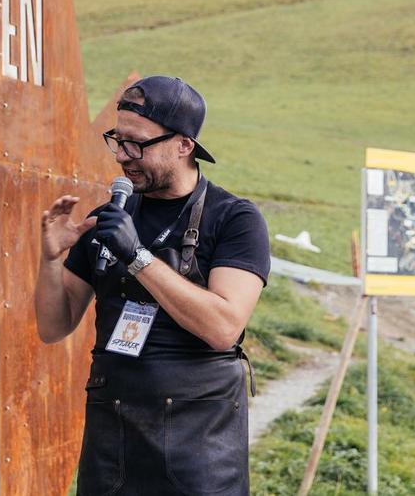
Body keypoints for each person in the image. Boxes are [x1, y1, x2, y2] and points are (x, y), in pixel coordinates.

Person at [35, 76, 270, 495]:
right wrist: (50, 259)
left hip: (199, 446)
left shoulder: (234, 219)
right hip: (114, 436)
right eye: (117, 139)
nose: (124, 156)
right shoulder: (110, 216)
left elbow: (224, 327)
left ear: (184, 144)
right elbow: (54, 326)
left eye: (137, 144)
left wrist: (137, 256)